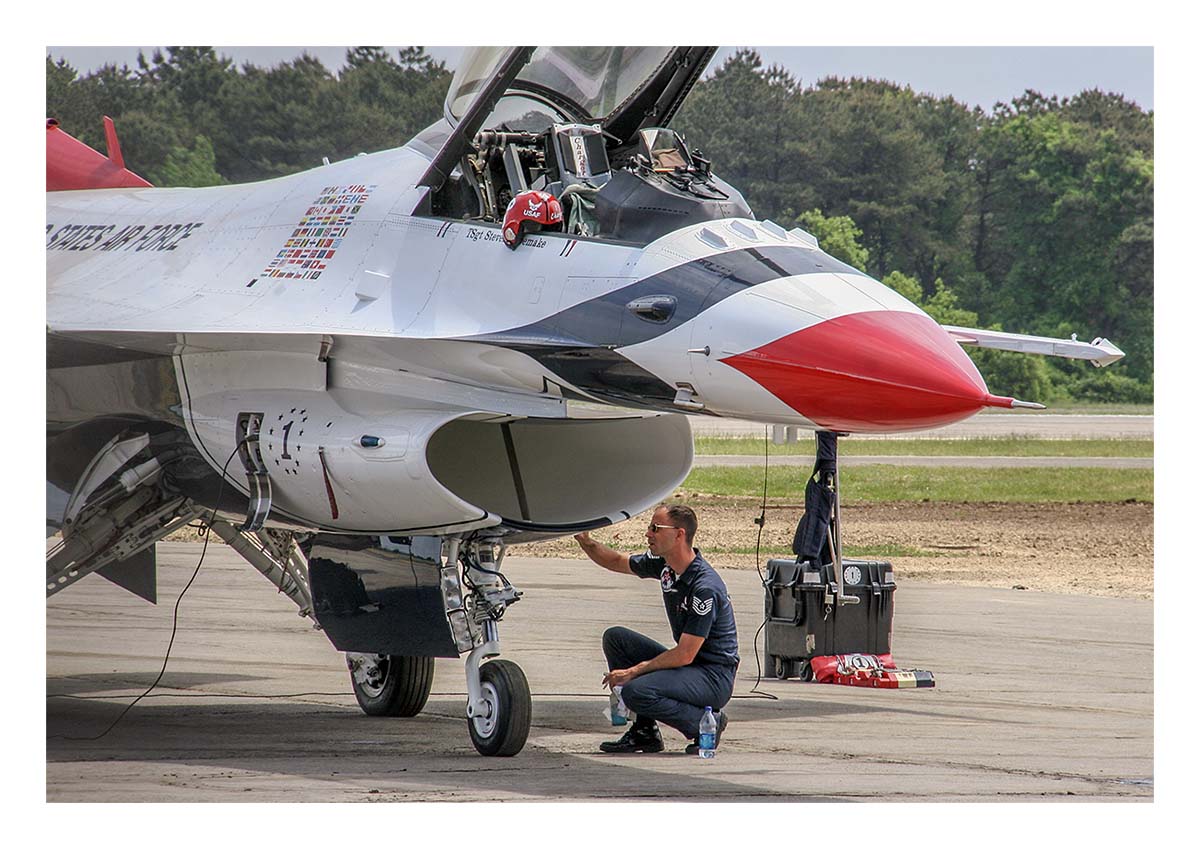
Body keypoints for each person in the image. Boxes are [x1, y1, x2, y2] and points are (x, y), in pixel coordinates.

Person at [574, 504, 739, 754]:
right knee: (616, 639)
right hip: (690, 666)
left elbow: (685, 654)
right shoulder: (665, 565)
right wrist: (586, 541)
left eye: (655, 528)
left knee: (636, 691)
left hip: (713, 676)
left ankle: (706, 725)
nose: (648, 534)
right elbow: (617, 561)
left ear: (679, 534)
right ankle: (644, 733)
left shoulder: (704, 587)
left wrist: (633, 671)